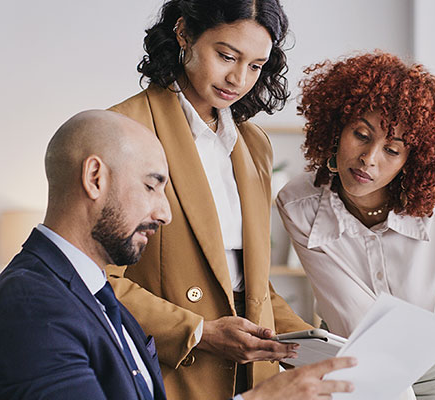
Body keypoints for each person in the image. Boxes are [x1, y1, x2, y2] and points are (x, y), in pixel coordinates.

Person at [0, 110, 355, 400]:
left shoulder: (94, 295)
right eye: (152, 187)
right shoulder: (31, 309)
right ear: (95, 178)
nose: (165, 214)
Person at [106, 1, 312, 399]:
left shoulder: (253, 144)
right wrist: (198, 332)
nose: (238, 78)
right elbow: (96, 279)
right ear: (183, 32)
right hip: (171, 372)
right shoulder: (125, 130)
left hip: (254, 375)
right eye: (227, 56)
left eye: (256, 66)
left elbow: (250, 285)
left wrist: (316, 345)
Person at [276, 52, 435, 400]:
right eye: (361, 134)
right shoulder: (299, 205)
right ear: (337, 127)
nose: (368, 159)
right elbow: (352, 316)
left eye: (392, 150)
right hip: (352, 365)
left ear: (411, 162)